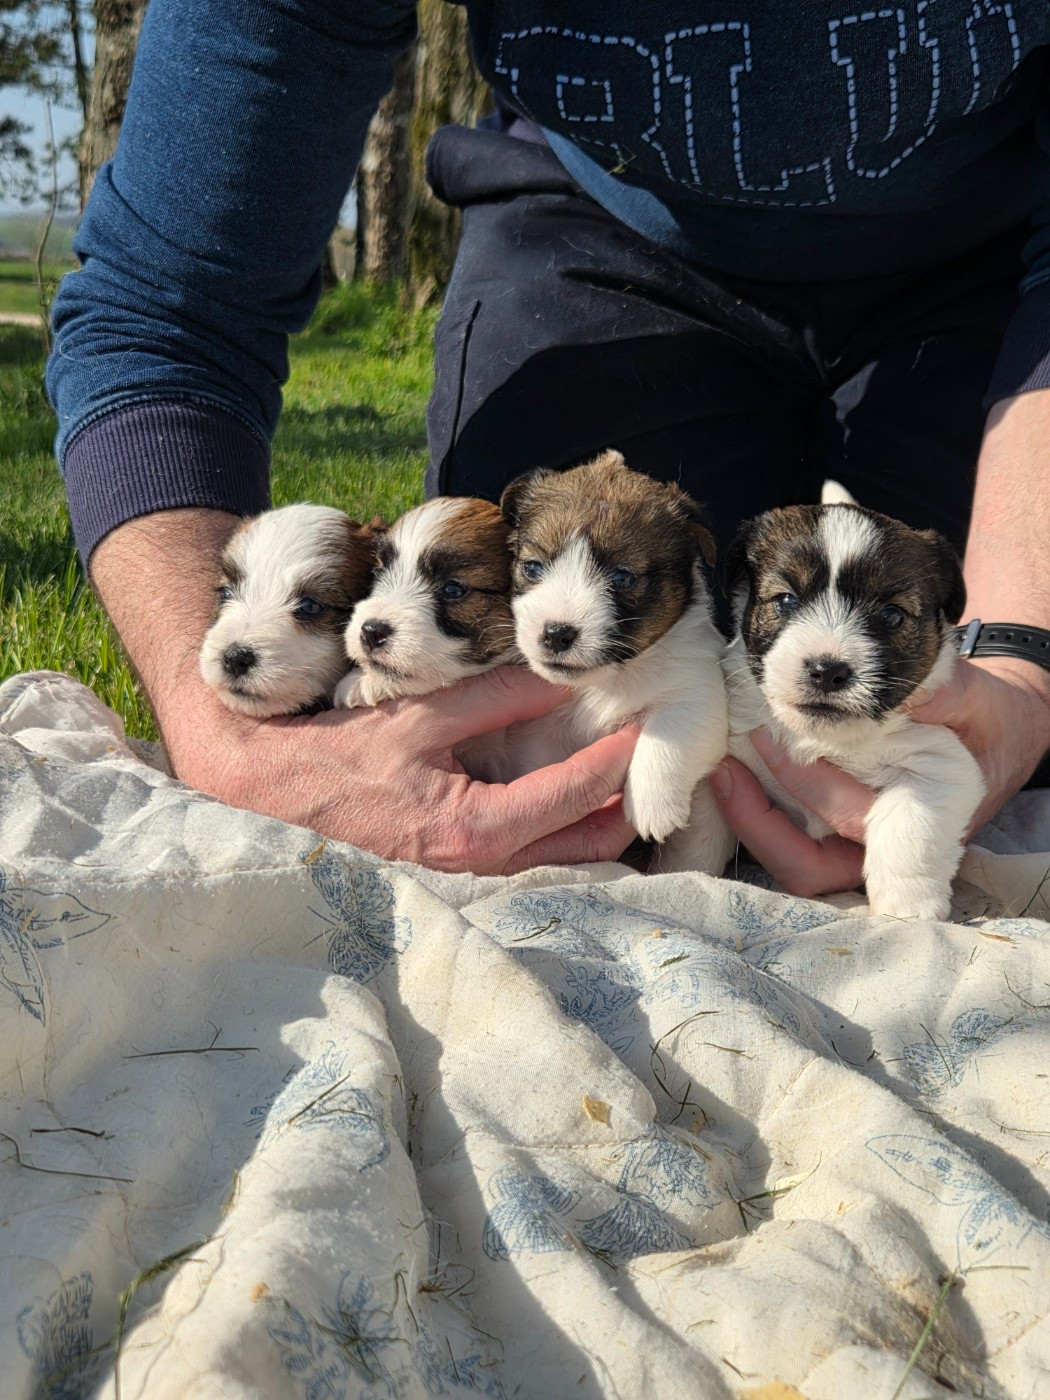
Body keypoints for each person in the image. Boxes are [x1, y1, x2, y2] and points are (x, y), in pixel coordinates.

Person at [47, 0, 1050, 889]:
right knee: (533, 751)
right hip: (594, 225)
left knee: (924, 732)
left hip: (999, 264)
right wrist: (214, 720)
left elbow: (987, 672)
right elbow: (164, 307)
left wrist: (1024, 660)